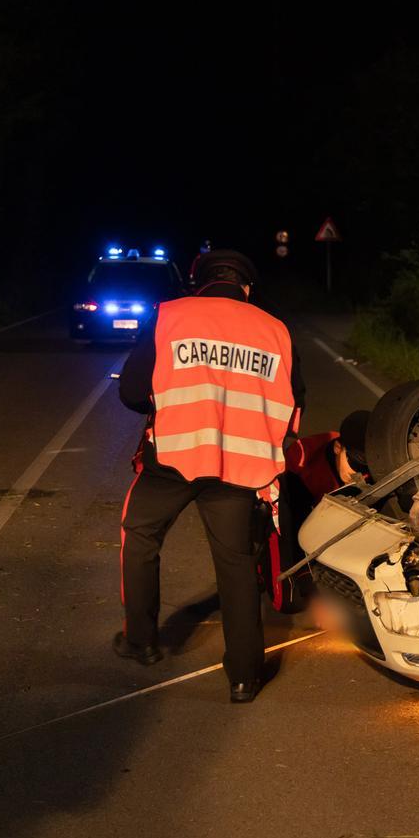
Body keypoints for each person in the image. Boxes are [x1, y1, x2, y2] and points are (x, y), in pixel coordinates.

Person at [115, 249, 305, 703]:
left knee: (140, 534)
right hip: (240, 462)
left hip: (174, 459)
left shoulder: (170, 316)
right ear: (246, 287)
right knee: (237, 563)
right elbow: (294, 405)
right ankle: (244, 676)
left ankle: (141, 641)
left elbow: (133, 392)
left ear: (198, 282)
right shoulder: (274, 330)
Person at [257, 410, 371, 613]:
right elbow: (290, 527)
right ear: (338, 448)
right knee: (290, 601)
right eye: (353, 464)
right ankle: (258, 561)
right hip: (283, 513)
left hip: (324, 517)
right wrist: (317, 594)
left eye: (364, 467)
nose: (358, 474)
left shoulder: (369, 468)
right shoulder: (299, 464)